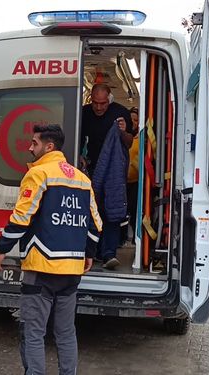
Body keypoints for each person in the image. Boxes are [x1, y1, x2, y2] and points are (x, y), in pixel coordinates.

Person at [0, 124, 102, 375]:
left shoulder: (38, 174)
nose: (30, 148)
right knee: (65, 333)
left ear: (49, 146)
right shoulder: (83, 180)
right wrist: (88, 254)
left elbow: (22, 218)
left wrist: (1, 249)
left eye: (34, 143)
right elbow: (96, 223)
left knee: (33, 333)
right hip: (71, 272)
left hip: (41, 269)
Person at [81, 83, 133, 269]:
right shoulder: (84, 113)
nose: (98, 107)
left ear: (109, 99)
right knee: (92, 210)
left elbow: (129, 142)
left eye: (102, 103)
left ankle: (109, 254)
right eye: (95, 103)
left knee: (112, 209)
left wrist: (123, 131)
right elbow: (77, 138)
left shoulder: (120, 113)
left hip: (114, 171)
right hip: (91, 168)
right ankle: (91, 251)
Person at [121, 107, 140, 245]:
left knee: (133, 208)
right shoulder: (122, 136)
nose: (133, 122)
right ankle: (120, 239)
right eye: (131, 120)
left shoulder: (142, 139)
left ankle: (135, 238)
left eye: (136, 120)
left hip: (136, 181)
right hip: (121, 180)